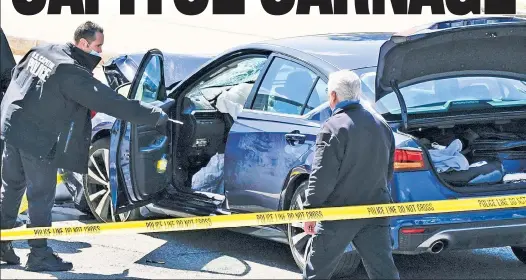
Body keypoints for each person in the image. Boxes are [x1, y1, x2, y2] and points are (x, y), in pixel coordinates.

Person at [0, 21, 170, 271]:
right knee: (40, 198)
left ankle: (3, 244)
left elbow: (15, 77)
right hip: (37, 141)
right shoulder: (71, 72)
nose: (100, 53)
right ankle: (38, 254)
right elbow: (111, 102)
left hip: (12, 129)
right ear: (83, 43)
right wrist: (154, 115)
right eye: (98, 46)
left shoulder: (43, 51)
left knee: (11, 188)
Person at [301, 70, 400, 279]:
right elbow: (388, 170)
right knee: (384, 273)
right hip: (375, 209)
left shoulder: (333, 128)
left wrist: (310, 211)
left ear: (334, 96)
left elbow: (322, 176)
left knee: (316, 273)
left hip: (339, 213)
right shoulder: (382, 125)